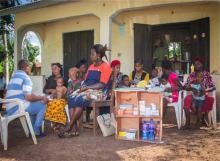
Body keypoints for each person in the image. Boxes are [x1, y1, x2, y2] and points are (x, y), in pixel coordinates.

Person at [58, 44, 112, 138]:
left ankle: (69, 127)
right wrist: (77, 77)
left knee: (80, 98)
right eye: (90, 54)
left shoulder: (106, 67)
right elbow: (86, 80)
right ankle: (74, 129)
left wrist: (86, 88)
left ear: (98, 55)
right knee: (71, 97)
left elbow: (102, 84)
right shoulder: (91, 66)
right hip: (88, 90)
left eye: (92, 54)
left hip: (100, 92)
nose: (90, 56)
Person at [6, 60, 48, 136]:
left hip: (9, 108)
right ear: (27, 67)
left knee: (33, 105)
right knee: (42, 105)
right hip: (17, 108)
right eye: (29, 66)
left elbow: (24, 95)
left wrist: (36, 97)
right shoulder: (25, 78)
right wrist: (42, 97)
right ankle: (36, 130)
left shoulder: (14, 77)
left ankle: (31, 130)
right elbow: (28, 97)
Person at [183, 57, 215, 129]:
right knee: (187, 99)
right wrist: (192, 88)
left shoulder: (207, 74)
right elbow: (185, 86)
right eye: (195, 64)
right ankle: (187, 123)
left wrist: (204, 91)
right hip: (193, 95)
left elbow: (213, 87)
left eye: (198, 64)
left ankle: (199, 121)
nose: (196, 66)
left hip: (204, 95)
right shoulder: (192, 75)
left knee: (207, 100)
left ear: (202, 65)